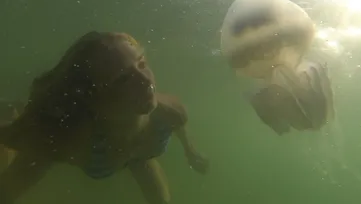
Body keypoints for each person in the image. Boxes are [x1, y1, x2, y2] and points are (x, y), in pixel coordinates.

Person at [0, 31, 209, 204]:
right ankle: (12, 111)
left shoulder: (171, 111)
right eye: (123, 78)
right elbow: (11, 135)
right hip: (94, 146)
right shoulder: (71, 138)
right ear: (95, 98)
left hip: (138, 154)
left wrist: (190, 151)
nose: (146, 80)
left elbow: (179, 125)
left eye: (142, 63)